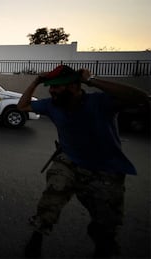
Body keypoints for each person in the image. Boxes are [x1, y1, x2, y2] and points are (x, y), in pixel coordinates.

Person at [17, 65, 149, 258]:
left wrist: (91, 79)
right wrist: (37, 80)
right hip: (69, 161)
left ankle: (104, 246)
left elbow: (141, 97)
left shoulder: (101, 102)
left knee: (106, 221)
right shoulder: (52, 105)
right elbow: (23, 105)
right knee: (51, 198)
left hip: (105, 169)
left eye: (56, 86)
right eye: (50, 86)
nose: (51, 90)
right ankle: (37, 237)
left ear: (73, 86)